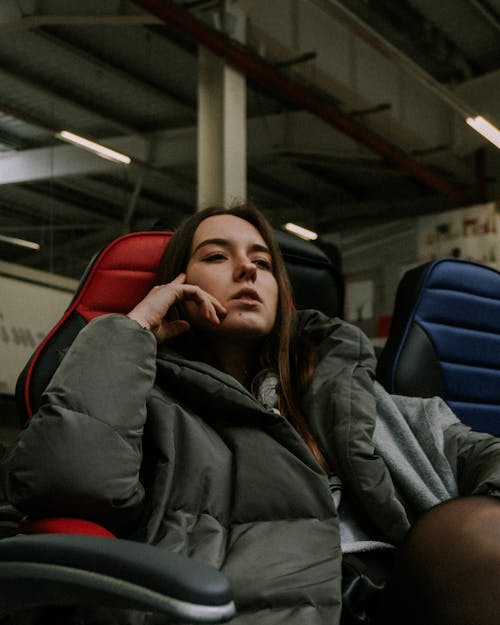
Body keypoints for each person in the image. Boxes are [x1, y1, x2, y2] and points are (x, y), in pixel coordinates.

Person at [3, 203, 500, 625]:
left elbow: (475, 452)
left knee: (478, 534)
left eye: (262, 262)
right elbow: (65, 479)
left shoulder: (339, 388)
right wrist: (131, 329)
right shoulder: (149, 400)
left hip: (398, 593)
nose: (247, 271)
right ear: (175, 285)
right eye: (217, 256)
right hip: (267, 610)